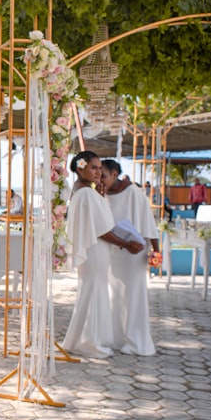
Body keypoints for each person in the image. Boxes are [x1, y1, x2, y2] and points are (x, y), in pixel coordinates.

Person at [62, 151, 144, 358]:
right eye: (93, 168)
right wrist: (126, 243)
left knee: (90, 290)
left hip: (93, 249)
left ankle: (79, 339)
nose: (98, 172)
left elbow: (93, 220)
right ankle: (91, 342)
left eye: (100, 168)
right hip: (95, 248)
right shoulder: (87, 193)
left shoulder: (81, 190)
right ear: (81, 168)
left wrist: (98, 196)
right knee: (95, 290)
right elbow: (100, 229)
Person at [102, 160, 158, 356]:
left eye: (104, 175)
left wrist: (156, 251)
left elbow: (148, 221)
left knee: (133, 295)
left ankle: (136, 340)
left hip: (135, 250)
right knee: (114, 295)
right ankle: (117, 338)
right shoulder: (102, 195)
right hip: (113, 251)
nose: (100, 179)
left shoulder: (133, 193)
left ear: (115, 173)